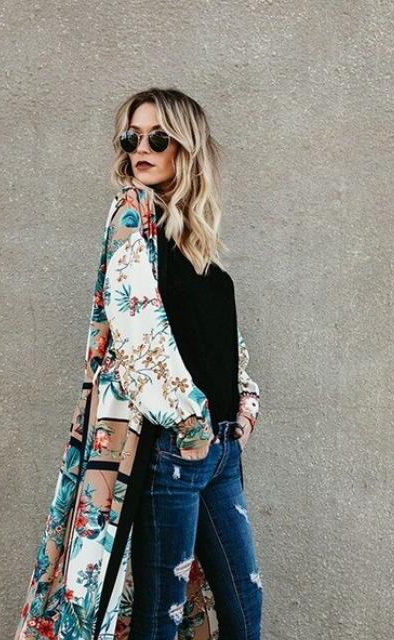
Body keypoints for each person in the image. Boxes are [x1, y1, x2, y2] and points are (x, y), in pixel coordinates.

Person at [14, 87, 262, 640]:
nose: (140, 149)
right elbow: (135, 326)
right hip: (174, 448)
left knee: (244, 604)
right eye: (131, 137)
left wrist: (244, 408)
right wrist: (188, 419)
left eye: (157, 138)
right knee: (159, 618)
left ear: (187, 148)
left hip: (219, 451)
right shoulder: (132, 213)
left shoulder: (192, 241)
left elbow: (224, 344)